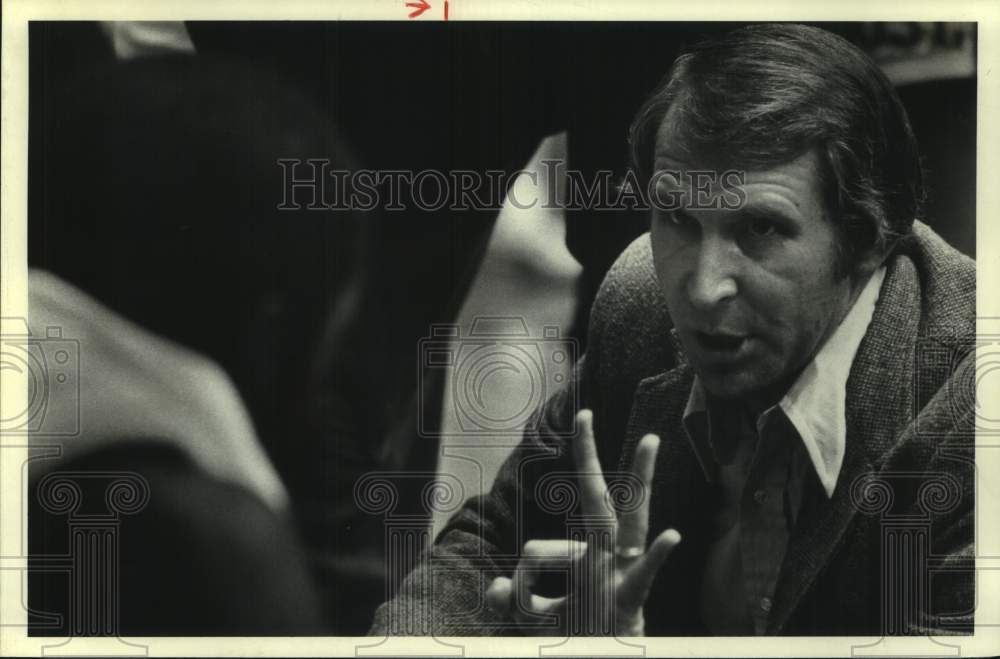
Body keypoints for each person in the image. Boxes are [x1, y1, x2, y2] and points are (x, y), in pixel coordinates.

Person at [369, 23, 975, 636]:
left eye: (760, 229)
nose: (702, 287)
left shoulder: (972, 419)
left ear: (867, 239)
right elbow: (491, 541)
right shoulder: (641, 302)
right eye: (678, 216)